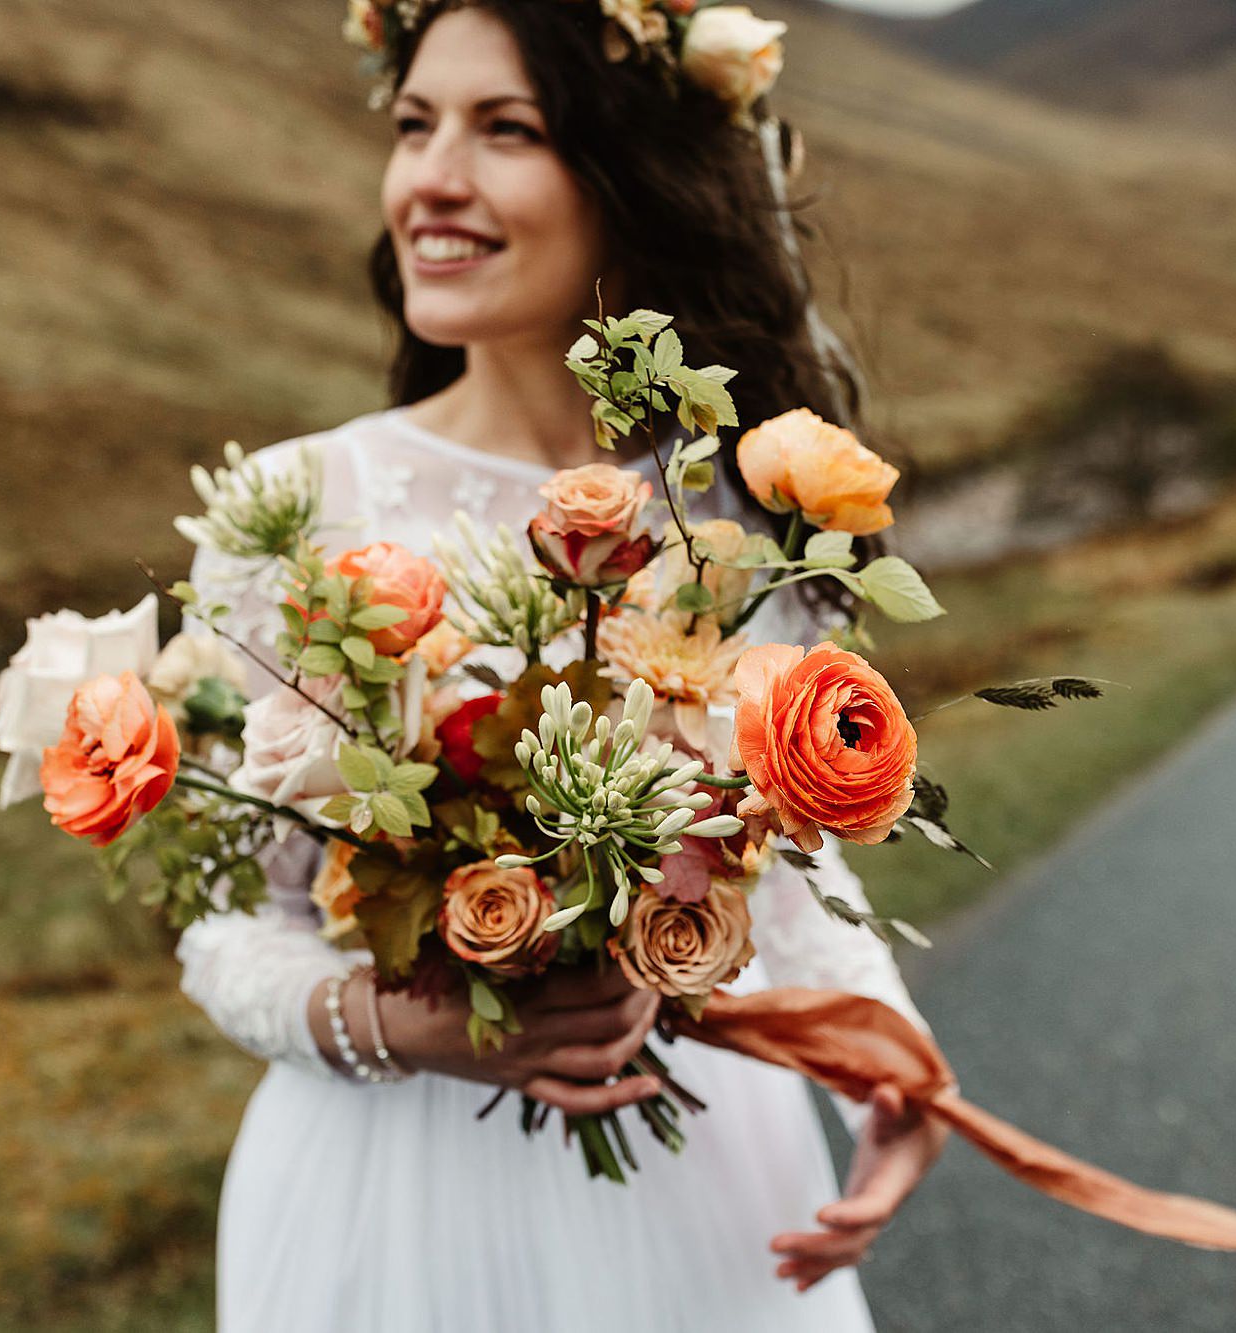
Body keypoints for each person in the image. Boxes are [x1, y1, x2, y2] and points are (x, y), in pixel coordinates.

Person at [177, 3, 947, 1328]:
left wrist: (888, 1062)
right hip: (392, 1208)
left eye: (505, 130)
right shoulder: (300, 506)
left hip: (701, 1188)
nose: (432, 176)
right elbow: (225, 924)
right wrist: (401, 1019)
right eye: (415, 125)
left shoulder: (729, 513)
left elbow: (795, 871)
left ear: (628, 176)